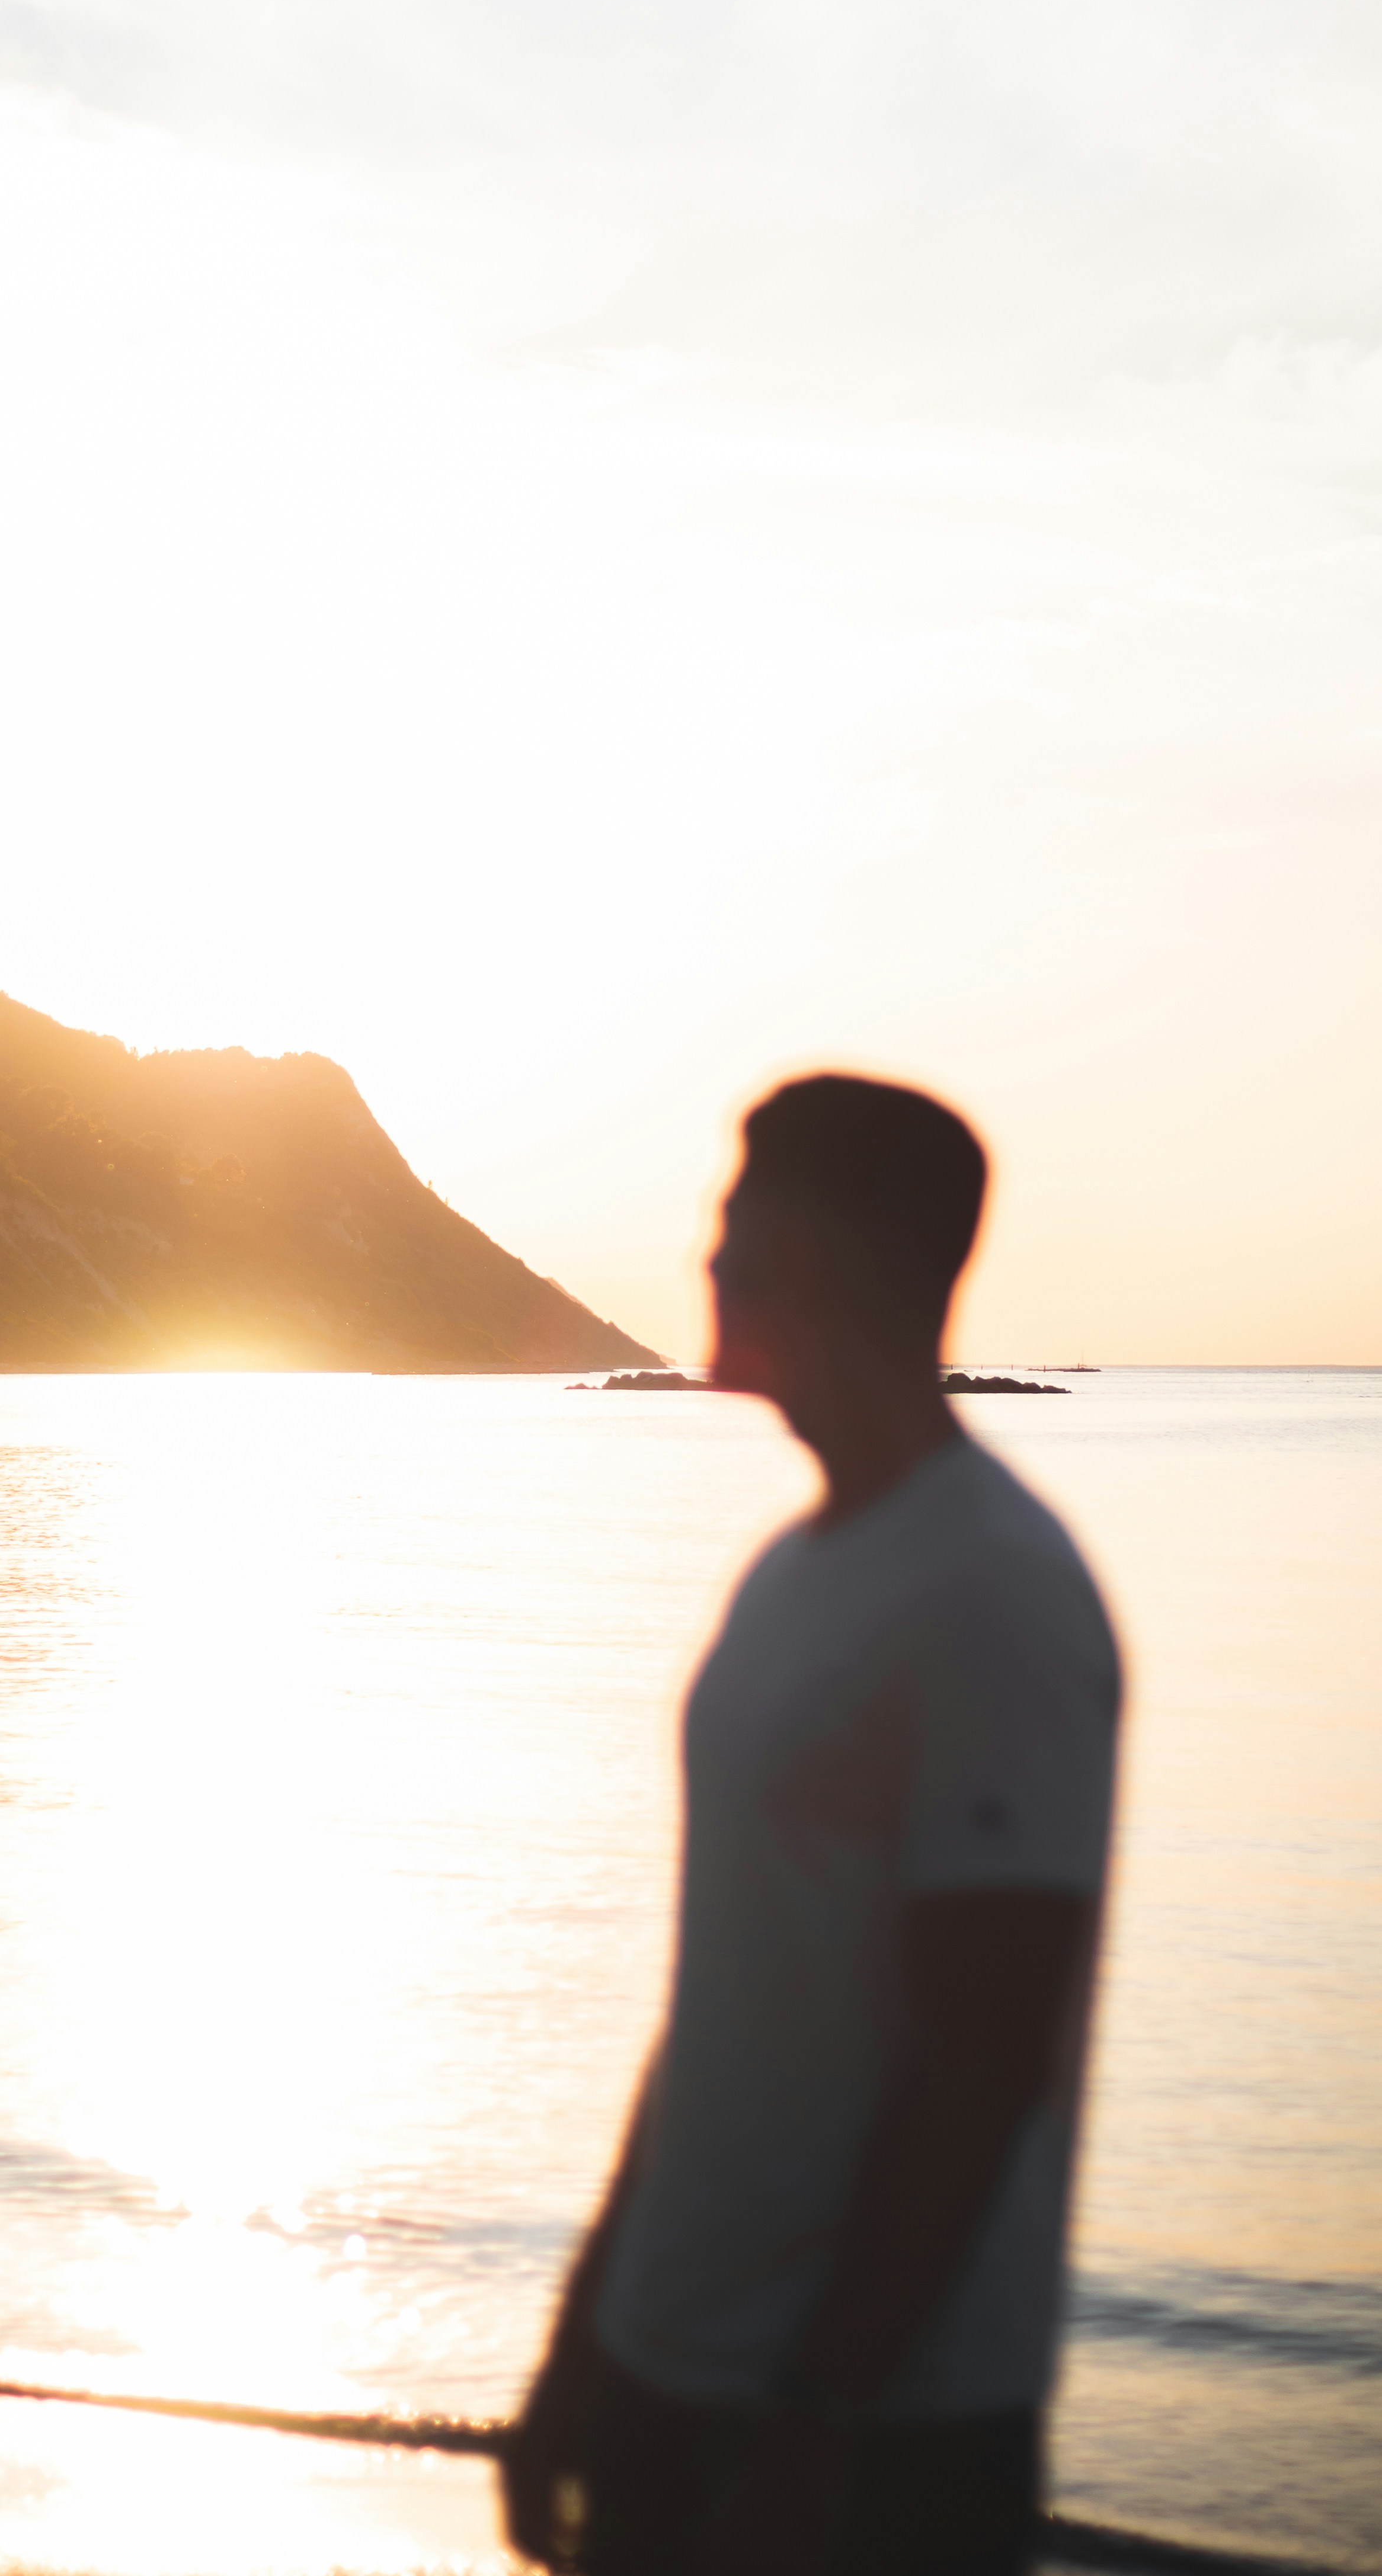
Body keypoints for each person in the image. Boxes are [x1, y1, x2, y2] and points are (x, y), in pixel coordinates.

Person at [501, 1074, 1121, 2576]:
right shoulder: (791, 1574)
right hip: (677, 2365)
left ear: (829, 1250)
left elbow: (984, 2056)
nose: (705, 1261)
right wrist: (582, 2343)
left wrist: (817, 2425)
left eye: (735, 1220)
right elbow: (721, 2002)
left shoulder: (994, 1590)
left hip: (867, 2436)